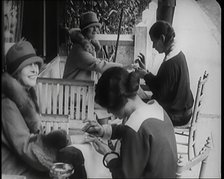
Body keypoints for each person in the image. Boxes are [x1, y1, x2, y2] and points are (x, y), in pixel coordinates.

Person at [1, 40, 87, 179]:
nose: (35, 69)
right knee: (69, 166)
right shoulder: (7, 104)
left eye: (36, 64)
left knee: (74, 159)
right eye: (28, 65)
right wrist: (56, 152)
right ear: (16, 71)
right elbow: (25, 148)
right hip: (14, 170)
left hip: (26, 162)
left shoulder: (26, 97)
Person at [82, 67, 178, 178]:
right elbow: (134, 130)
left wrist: (107, 154)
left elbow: (124, 176)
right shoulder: (155, 109)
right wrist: (104, 130)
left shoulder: (134, 130)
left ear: (116, 103)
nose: (108, 111)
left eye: (108, 108)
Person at [135, 21, 194, 126]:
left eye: (154, 41)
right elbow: (163, 83)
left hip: (178, 115)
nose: (153, 46)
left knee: (137, 109)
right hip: (184, 110)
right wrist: (146, 71)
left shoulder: (170, 63)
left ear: (162, 38)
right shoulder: (178, 54)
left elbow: (160, 94)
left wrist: (145, 75)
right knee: (142, 103)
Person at [63, 11, 123, 81]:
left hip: (81, 88)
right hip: (72, 89)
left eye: (97, 27)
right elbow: (99, 65)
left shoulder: (89, 45)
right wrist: (122, 67)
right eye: (91, 27)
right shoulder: (79, 50)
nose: (95, 30)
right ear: (85, 29)